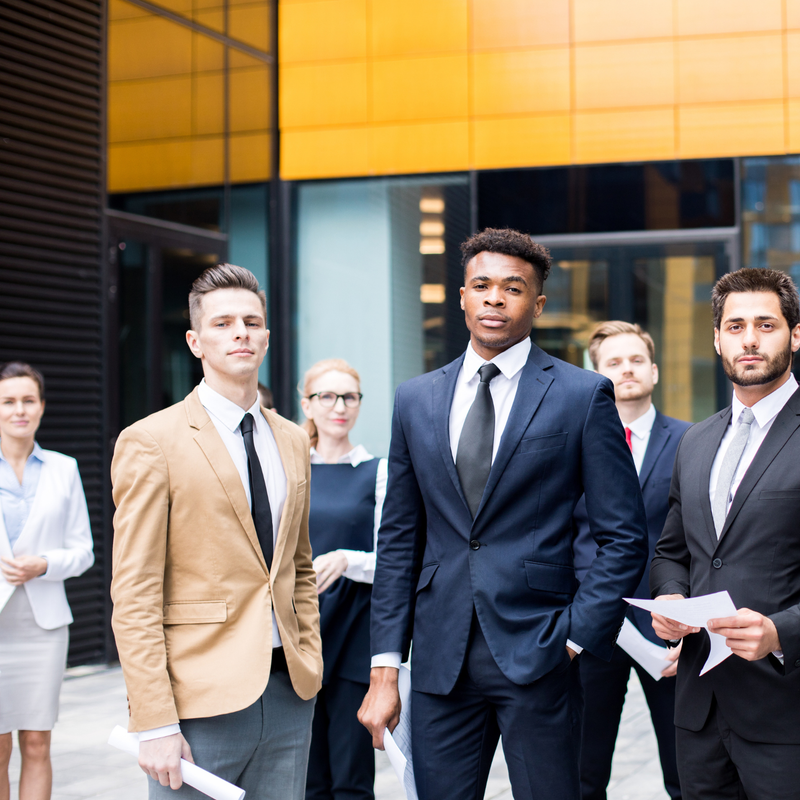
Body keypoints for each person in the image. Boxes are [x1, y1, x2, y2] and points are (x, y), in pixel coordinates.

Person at [358, 228, 649, 800]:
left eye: (513, 288)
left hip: (542, 653)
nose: (495, 298)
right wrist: (385, 667)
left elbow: (623, 537)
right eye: (482, 285)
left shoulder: (581, 394)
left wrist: (574, 638)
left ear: (537, 304)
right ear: (461, 296)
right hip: (440, 660)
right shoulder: (415, 398)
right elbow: (398, 540)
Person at [110, 263, 322, 799]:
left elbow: (297, 565)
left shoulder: (294, 440)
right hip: (199, 703)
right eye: (223, 323)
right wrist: (154, 722)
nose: (240, 333)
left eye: (251, 322)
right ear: (195, 341)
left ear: (267, 337)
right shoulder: (151, 440)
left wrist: (309, 656)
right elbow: (134, 593)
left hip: (288, 694)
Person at [650, 268, 800, 800]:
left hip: (786, 714)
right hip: (699, 710)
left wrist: (782, 632)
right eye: (735, 326)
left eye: (766, 324)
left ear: (795, 334)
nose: (750, 339)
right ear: (716, 339)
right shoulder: (695, 440)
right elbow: (673, 550)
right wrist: (670, 595)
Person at [573, 322, 690, 800]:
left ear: (655, 370)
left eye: (636, 359)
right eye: (613, 362)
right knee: (582, 773)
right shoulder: (573, 446)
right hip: (593, 629)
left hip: (669, 629)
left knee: (687, 772)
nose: (626, 369)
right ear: (596, 375)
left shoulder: (692, 441)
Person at [0, 361, 94, 800]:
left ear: (41, 407)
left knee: (37, 742)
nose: (19, 410)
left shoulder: (64, 469)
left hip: (43, 629)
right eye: (8, 401)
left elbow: (83, 551)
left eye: (28, 400)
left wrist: (44, 563)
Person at [299, 359, 387, 800]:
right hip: (300, 632)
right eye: (327, 396)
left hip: (355, 630)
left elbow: (397, 557)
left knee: (352, 776)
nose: (339, 406)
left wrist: (349, 560)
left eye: (349, 397)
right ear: (307, 406)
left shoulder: (378, 471)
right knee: (308, 777)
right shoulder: (291, 470)